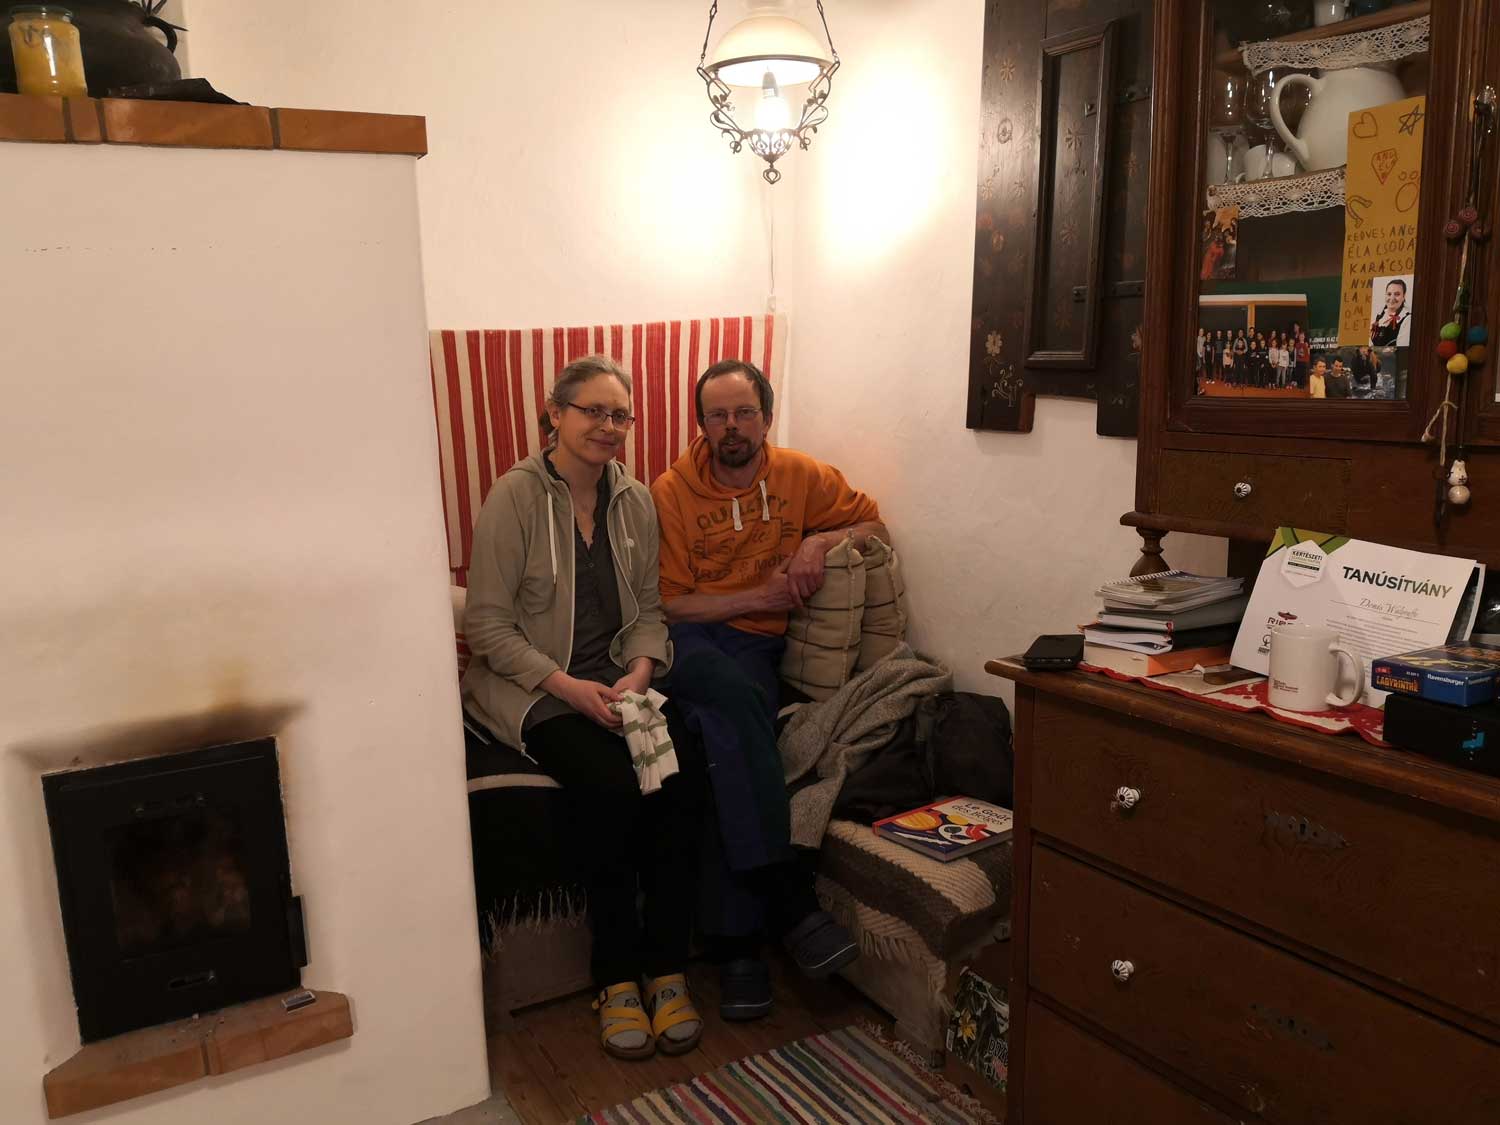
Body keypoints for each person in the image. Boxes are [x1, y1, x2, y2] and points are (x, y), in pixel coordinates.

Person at [462, 356, 707, 1061]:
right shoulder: (513, 496)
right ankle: (615, 977)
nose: (607, 426)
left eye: (619, 414)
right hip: (532, 687)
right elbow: (486, 628)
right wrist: (569, 688)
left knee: (681, 774)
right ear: (555, 414)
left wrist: (637, 672)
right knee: (610, 783)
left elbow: (650, 613)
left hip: (616, 684)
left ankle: (666, 969)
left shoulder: (633, 500)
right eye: (591, 411)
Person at [651, 359, 883, 1021]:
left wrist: (824, 539)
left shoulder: (800, 475)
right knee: (736, 696)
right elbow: (668, 605)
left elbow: (876, 526)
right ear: (700, 424)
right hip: (689, 644)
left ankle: (737, 948)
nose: (731, 426)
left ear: (766, 416)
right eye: (717, 414)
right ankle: (787, 899)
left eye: (744, 412)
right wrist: (760, 592)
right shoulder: (670, 491)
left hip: (756, 646)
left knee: (718, 735)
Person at [1371, 278, 1410, 347]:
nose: (1392, 298)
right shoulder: (1379, 315)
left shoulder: (1407, 319)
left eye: (1397, 294)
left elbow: (1401, 350)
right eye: (1389, 294)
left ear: (1404, 296)